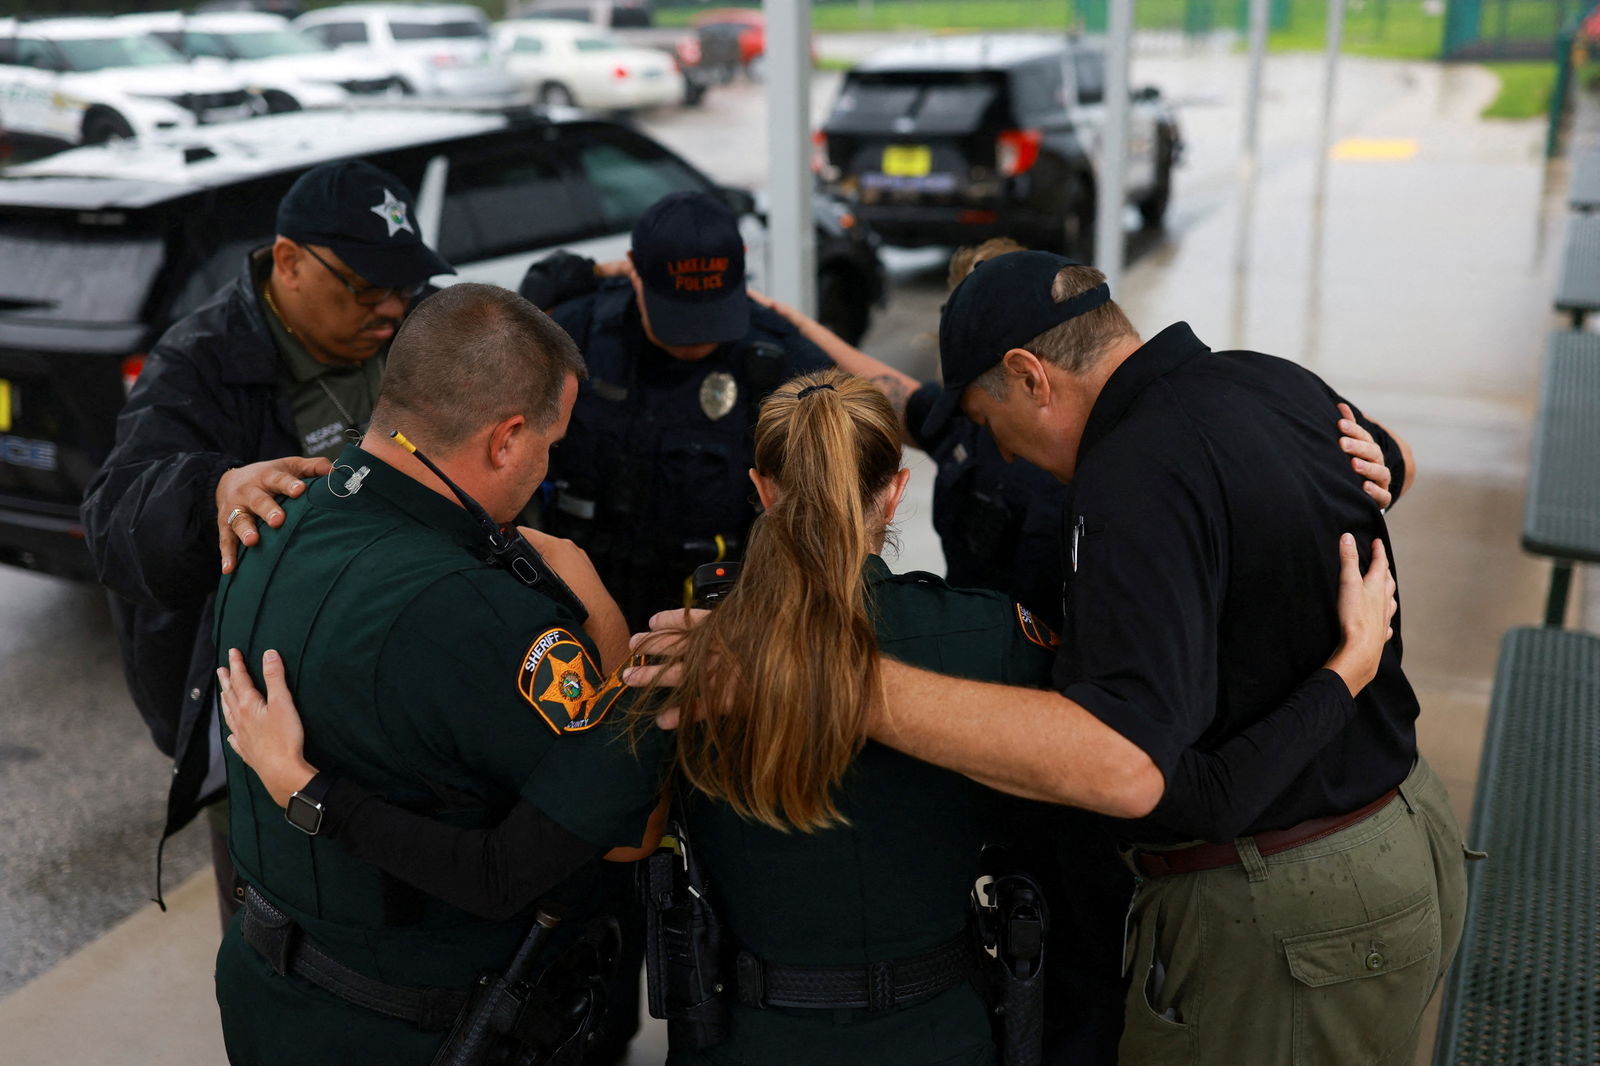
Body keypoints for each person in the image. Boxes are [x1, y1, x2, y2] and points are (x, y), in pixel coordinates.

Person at [219, 368, 1398, 1066]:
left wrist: (313, 793)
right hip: (944, 1027)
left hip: (753, 1037)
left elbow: (541, 854)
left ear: (761, 492)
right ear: (896, 492)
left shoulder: (691, 661)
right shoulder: (993, 636)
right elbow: (1142, 780)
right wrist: (1340, 667)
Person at [727, 250, 1462, 1066]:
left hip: (1297, 911)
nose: (995, 450)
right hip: (1394, 841)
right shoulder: (1271, 380)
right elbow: (1367, 461)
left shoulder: (1135, 475)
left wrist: (828, 679)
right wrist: (1386, 485)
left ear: (1030, 376)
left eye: (986, 417)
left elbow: (1131, 770)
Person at [211, 282, 667, 1065]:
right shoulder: (480, 614)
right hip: (423, 1029)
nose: (545, 467)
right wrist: (599, 608)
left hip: (268, 999)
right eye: (548, 445)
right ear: (506, 439)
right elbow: (633, 834)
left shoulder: (263, 516)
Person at [79, 159, 453, 919]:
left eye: (403, 286)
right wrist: (210, 493)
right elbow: (111, 521)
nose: (391, 308)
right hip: (273, 733)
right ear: (288, 262)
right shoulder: (203, 361)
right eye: (365, 288)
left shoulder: (420, 329)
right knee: (285, 942)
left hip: (407, 705)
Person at [518, 190, 835, 630]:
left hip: (721, 613)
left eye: (712, 314)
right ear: (635, 271)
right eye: (678, 317)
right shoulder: (576, 335)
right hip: (576, 598)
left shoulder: (783, 362)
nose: (696, 338)